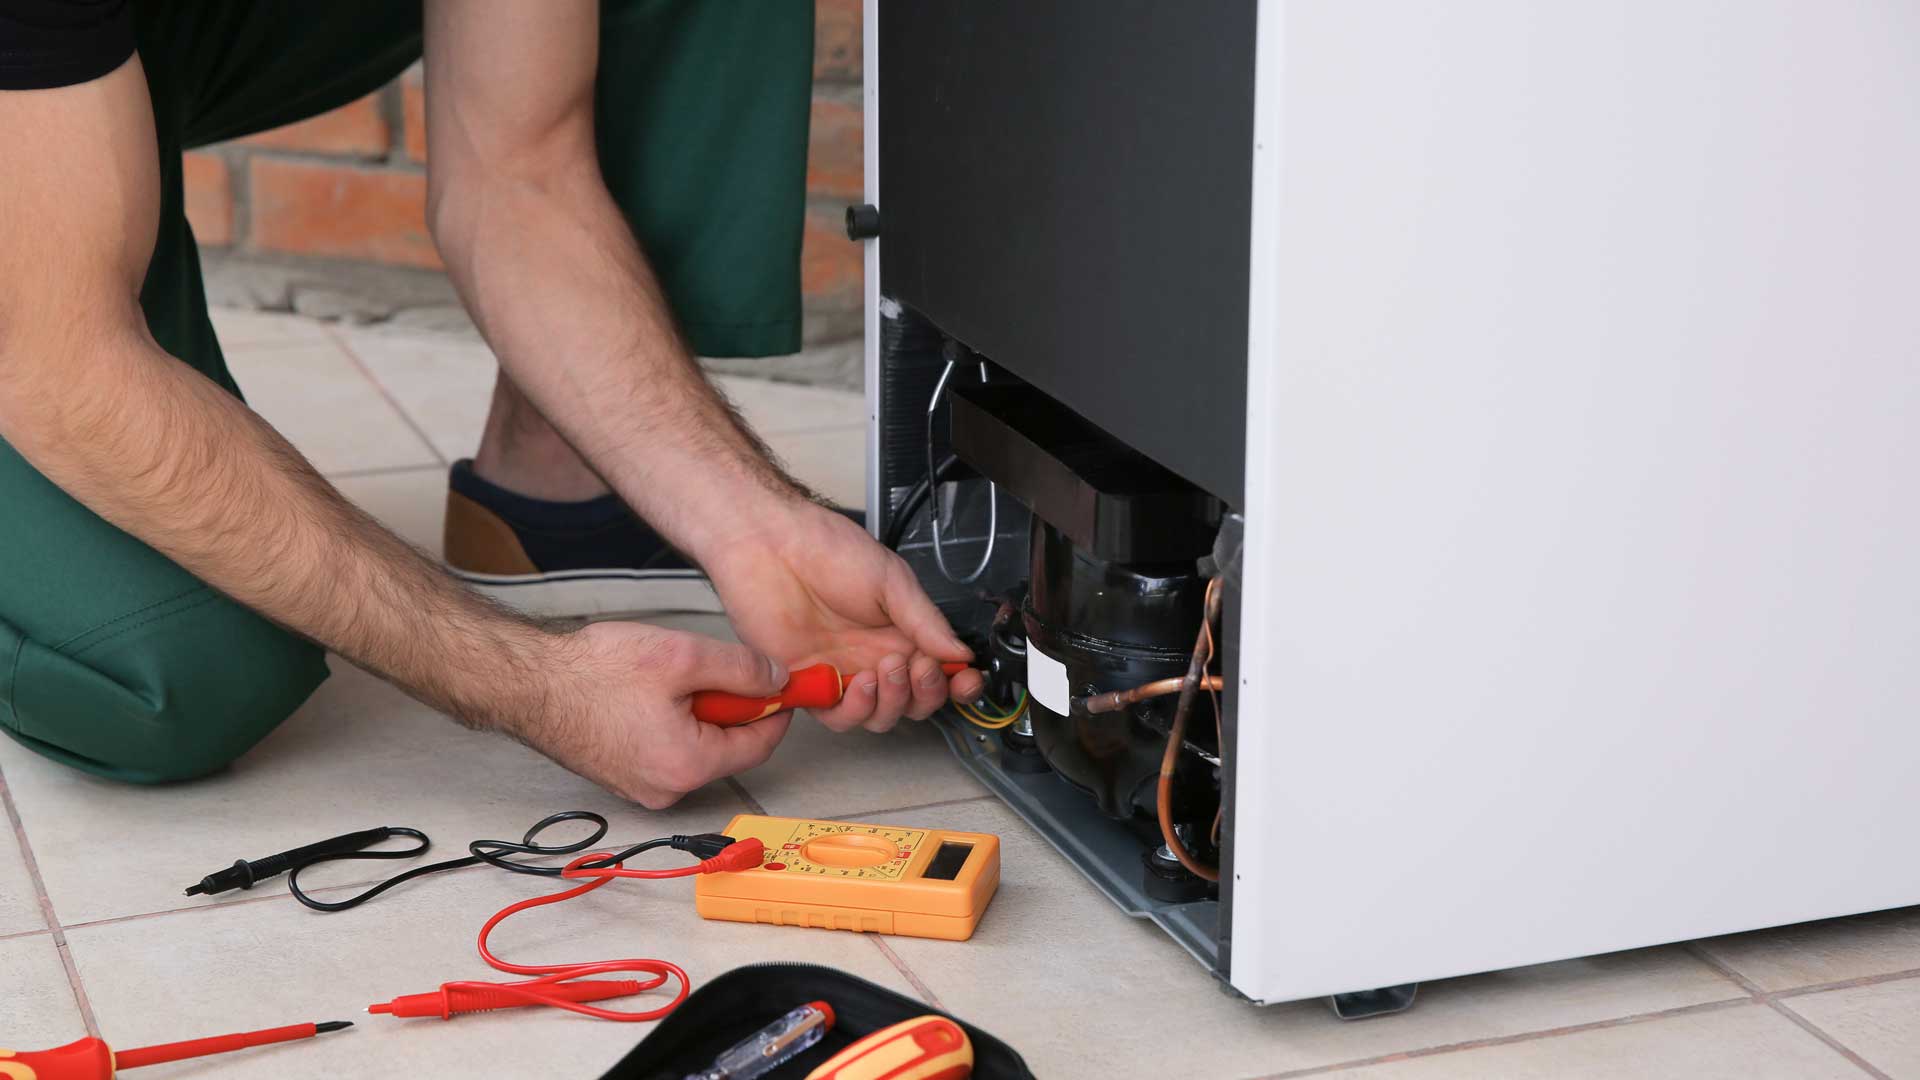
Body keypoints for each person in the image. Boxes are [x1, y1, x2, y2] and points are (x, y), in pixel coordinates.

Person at [0, 0, 985, 807]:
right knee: (178, 668)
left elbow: (520, 170)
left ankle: (558, 493)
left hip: (101, 56)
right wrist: (535, 685)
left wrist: (752, 522)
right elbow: (69, 367)